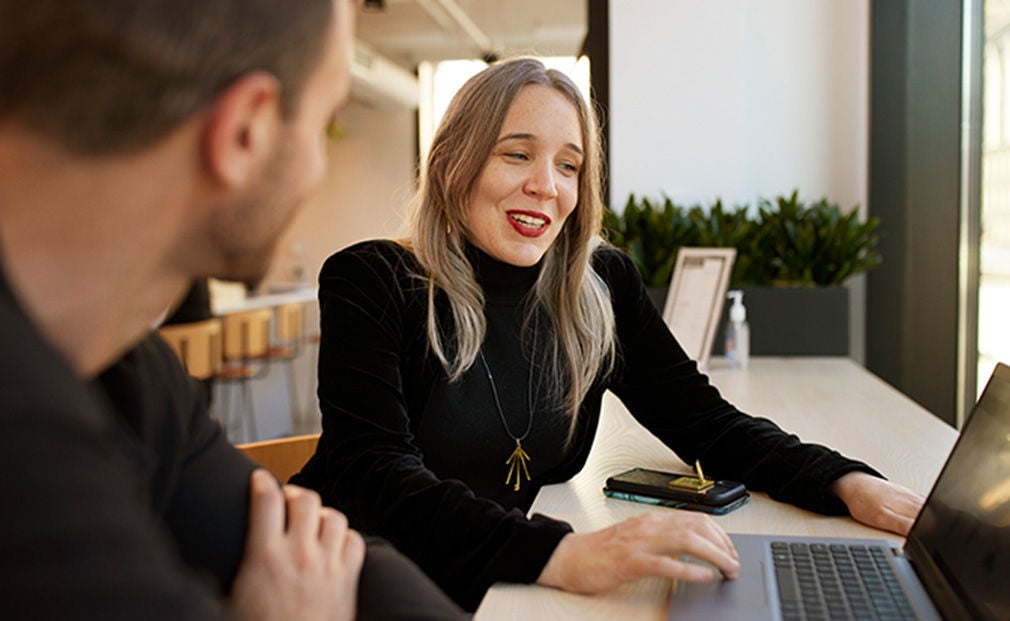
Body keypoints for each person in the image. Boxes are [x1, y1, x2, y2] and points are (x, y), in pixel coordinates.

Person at [291, 57, 926, 611]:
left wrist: (846, 483)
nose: (547, 185)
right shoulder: (372, 279)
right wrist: (563, 554)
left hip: (502, 576)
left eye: (569, 166)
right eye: (517, 154)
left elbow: (705, 422)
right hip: (349, 571)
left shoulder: (601, 283)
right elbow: (375, 474)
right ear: (453, 162)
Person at [0, 0, 466, 619]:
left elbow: (334, 558)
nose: (317, 168)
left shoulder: (134, 375)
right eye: (325, 121)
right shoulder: (27, 450)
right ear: (246, 131)